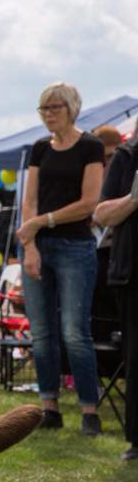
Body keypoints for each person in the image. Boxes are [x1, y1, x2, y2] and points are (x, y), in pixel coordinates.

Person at [16, 82, 103, 435]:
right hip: (39, 245)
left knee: (74, 332)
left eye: (55, 108)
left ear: (72, 108)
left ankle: (89, 410)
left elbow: (89, 202)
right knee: (41, 333)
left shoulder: (91, 146)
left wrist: (43, 222)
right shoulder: (40, 148)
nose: (49, 115)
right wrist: (31, 245)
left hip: (75, 247)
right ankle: (48, 406)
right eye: (44, 109)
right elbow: (30, 201)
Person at [93, 137, 138, 459]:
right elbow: (102, 214)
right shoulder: (126, 156)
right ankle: (137, 441)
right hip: (132, 274)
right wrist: (134, 198)